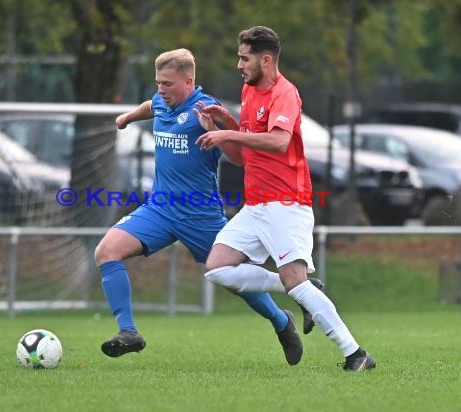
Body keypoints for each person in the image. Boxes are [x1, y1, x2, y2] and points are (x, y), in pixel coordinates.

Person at [95, 48, 304, 364]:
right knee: (107, 251)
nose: (161, 90)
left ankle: (281, 322)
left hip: (200, 214)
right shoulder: (162, 102)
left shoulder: (206, 109)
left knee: (234, 281)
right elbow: (149, 106)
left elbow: (239, 158)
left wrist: (218, 132)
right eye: (159, 83)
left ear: (188, 81)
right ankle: (129, 332)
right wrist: (126, 118)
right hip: (160, 209)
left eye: (167, 84)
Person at [195, 26, 376, 372]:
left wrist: (229, 131)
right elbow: (243, 157)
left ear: (266, 59)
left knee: (296, 282)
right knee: (217, 268)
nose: (238, 64)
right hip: (257, 204)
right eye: (238, 57)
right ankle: (294, 287)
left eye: (244, 58)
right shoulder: (249, 93)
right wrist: (221, 127)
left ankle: (356, 354)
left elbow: (278, 142)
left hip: (285, 203)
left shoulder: (285, 94)